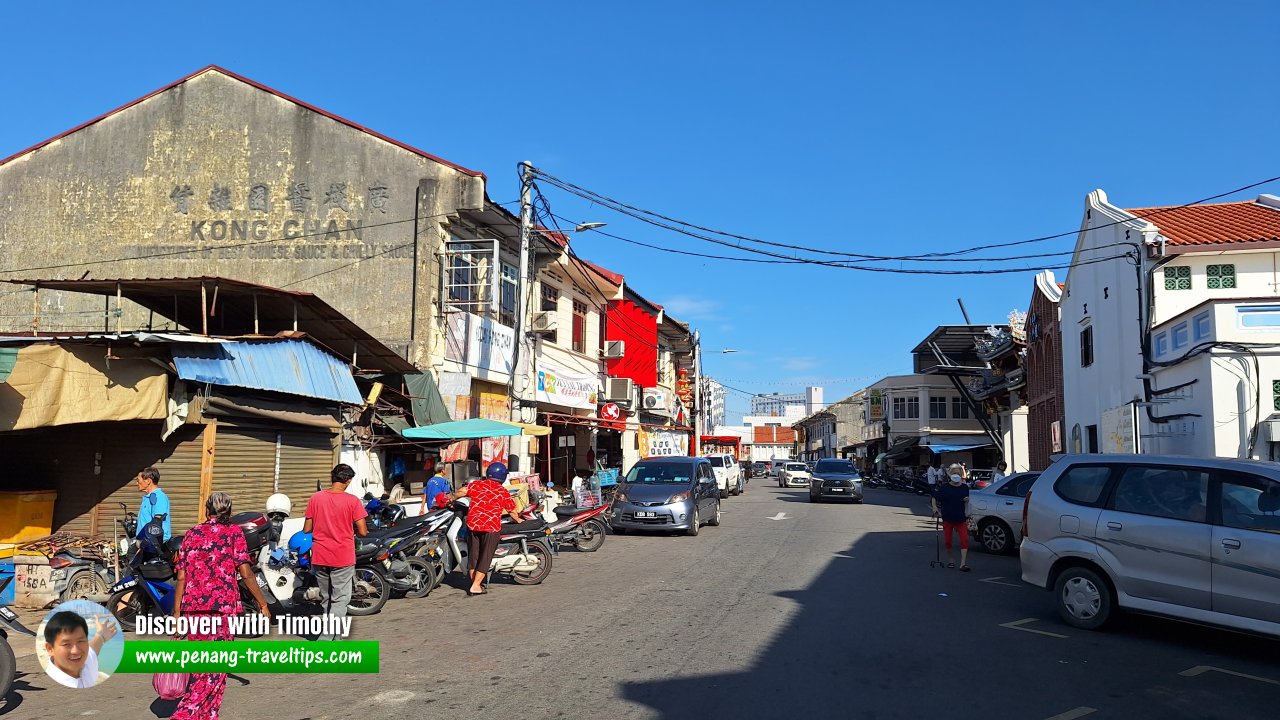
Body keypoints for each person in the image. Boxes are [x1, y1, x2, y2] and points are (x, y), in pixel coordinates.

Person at [171, 492, 272, 719]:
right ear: (229, 512)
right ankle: (186, 714)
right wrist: (262, 603)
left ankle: (207, 716)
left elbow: (181, 577)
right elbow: (245, 573)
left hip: (193, 609)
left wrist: (177, 612)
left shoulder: (192, 534)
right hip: (222, 610)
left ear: (207, 511)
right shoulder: (234, 533)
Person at [303, 464, 368, 640]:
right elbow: (363, 531)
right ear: (348, 481)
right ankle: (326, 638)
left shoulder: (315, 498)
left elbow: (307, 529)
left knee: (327, 598)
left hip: (320, 555)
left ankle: (335, 637)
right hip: (342, 556)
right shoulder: (353, 501)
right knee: (340, 599)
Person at [443, 461, 521, 596]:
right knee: (486, 557)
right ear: (502, 477)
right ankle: (476, 586)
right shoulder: (502, 492)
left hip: (473, 525)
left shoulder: (477, 485)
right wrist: (520, 521)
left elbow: (462, 492)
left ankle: (474, 582)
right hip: (491, 528)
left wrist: (451, 498)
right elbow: (512, 512)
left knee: (474, 555)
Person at [42, 610, 117, 689]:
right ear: (50, 649)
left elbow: (93, 648)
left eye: (80, 641)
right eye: (66, 644)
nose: (76, 651)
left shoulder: (86, 662)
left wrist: (101, 635)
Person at [931, 463, 972, 571]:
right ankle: (951, 560)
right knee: (948, 541)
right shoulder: (944, 488)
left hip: (961, 518)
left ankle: (963, 564)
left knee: (964, 540)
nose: (956, 475)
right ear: (950, 474)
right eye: (954, 473)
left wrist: (967, 501)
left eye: (958, 473)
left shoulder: (964, 487)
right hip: (948, 518)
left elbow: (967, 500)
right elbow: (934, 498)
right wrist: (935, 508)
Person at [135, 466, 171, 543]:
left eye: (138, 480)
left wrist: (148, 543)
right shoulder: (148, 497)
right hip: (145, 541)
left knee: (131, 552)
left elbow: (157, 521)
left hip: (154, 543)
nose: (136, 483)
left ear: (148, 481)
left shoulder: (159, 497)